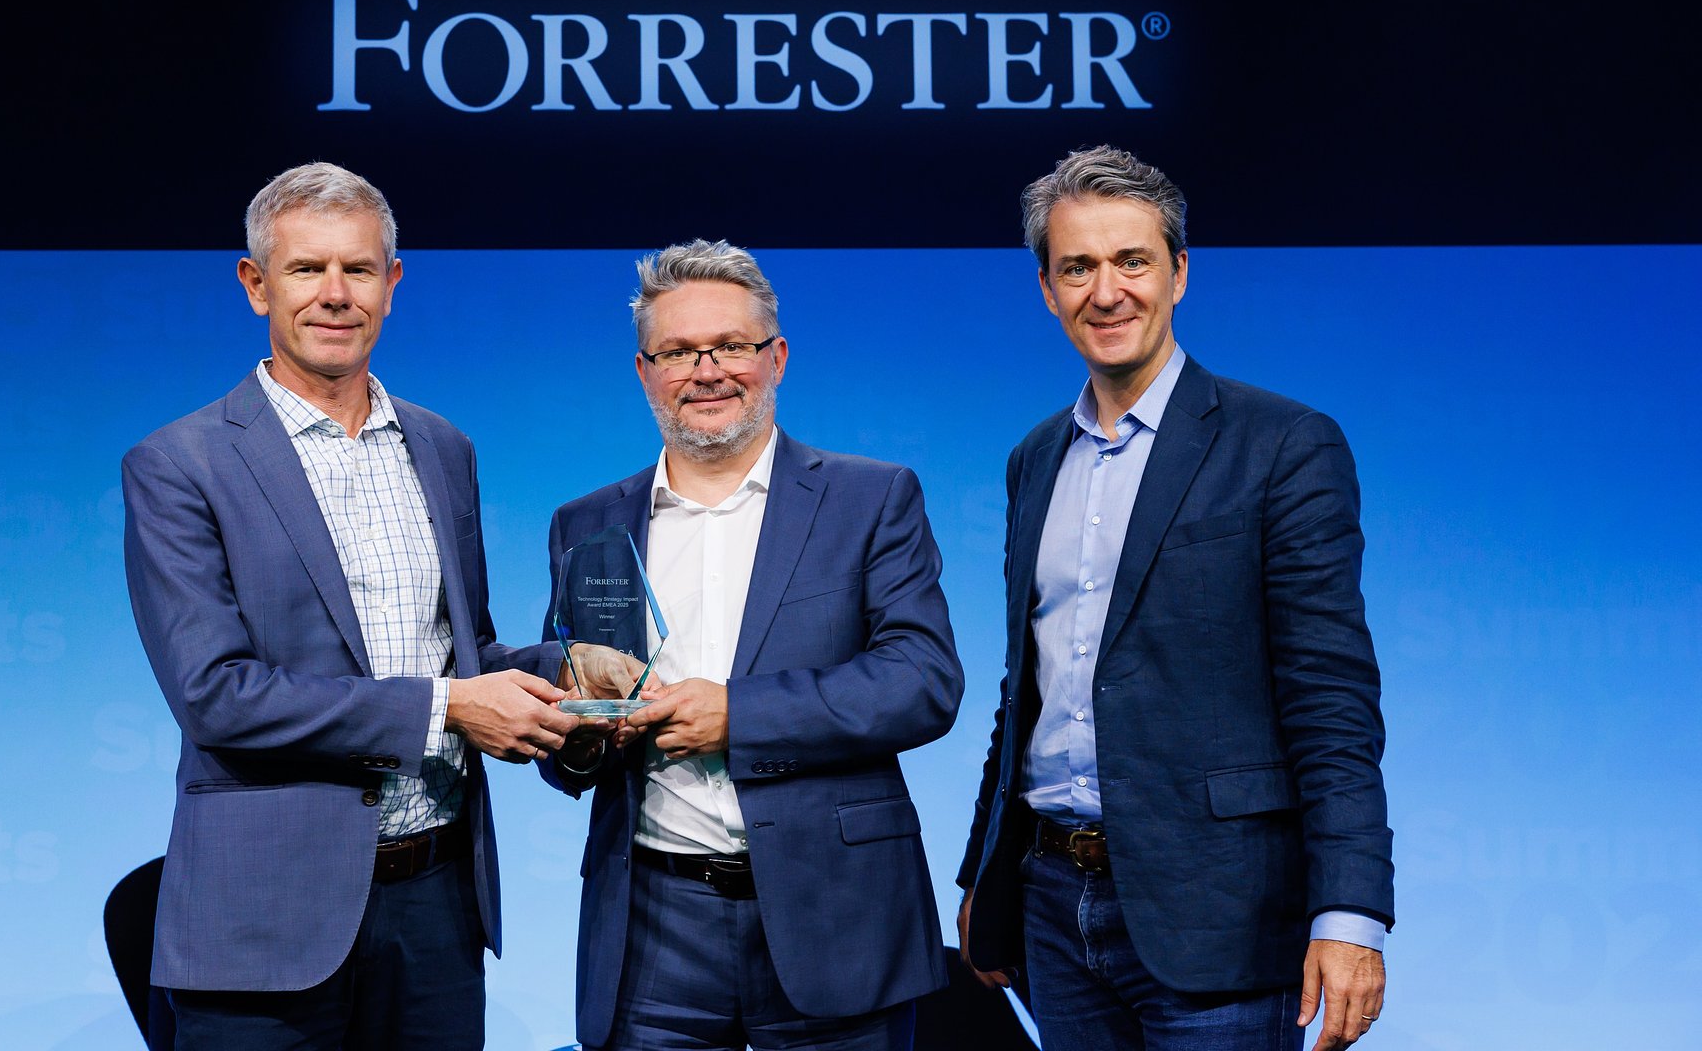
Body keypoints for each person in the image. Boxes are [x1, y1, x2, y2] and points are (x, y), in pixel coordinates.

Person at [121, 162, 578, 1049]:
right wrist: (449, 709)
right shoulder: (179, 465)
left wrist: (566, 671)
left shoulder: (443, 447)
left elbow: (463, 653)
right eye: (307, 269)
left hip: (437, 908)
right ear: (256, 284)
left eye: (359, 269)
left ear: (392, 284)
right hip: (265, 923)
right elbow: (217, 695)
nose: (336, 294)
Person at [955, 146, 1393, 1051]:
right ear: (1047, 289)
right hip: (1050, 906)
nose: (1106, 291)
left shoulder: (1284, 445)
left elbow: (1331, 698)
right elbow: (1027, 687)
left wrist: (1350, 913)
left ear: (1180, 273)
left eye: (1132, 261)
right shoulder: (1034, 459)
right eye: (1078, 267)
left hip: (1223, 911)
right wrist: (980, 876)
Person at [540, 240, 964, 1050]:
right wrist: (585, 731)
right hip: (651, 931)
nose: (706, 372)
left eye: (731, 346)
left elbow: (922, 681)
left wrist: (740, 715)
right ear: (645, 373)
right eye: (677, 352)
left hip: (837, 914)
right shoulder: (584, 523)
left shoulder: (871, 498)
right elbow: (566, 736)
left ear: (777, 358)